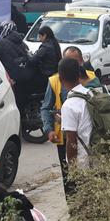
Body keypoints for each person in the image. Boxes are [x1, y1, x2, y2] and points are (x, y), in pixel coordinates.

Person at [57, 58, 105, 221]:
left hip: (84, 167)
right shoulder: (92, 94)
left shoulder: (69, 104)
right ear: (79, 74)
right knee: (98, 212)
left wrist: (73, 170)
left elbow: (71, 143)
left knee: (87, 215)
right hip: (100, 161)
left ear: (60, 78)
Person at [41, 46, 98, 194]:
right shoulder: (53, 81)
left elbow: (72, 142)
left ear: (81, 63)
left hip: (83, 145)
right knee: (75, 188)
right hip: (65, 139)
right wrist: (49, 129)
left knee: (80, 187)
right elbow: (46, 108)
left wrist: (72, 168)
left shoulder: (92, 79)